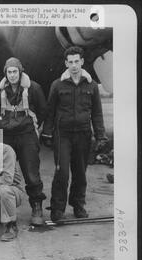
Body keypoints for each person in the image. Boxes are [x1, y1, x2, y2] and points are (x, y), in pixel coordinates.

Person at [41, 46, 108, 221]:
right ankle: (57, 209)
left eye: (76, 61)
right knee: (62, 172)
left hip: (83, 135)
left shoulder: (91, 85)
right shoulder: (57, 85)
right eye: (70, 62)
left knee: (80, 173)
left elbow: (97, 113)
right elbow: (50, 111)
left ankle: (78, 206)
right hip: (62, 136)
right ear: (66, 63)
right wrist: (47, 133)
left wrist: (100, 135)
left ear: (82, 62)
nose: (74, 65)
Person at [0, 57, 47, 226]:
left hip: (26, 135)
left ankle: (37, 206)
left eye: (15, 72)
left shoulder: (33, 88)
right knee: (2, 173)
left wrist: (32, 128)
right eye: (9, 72)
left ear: (20, 72)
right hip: (7, 135)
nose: (12, 75)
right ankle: (0, 208)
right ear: (5, 73)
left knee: (31, 173)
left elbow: (43, 110)